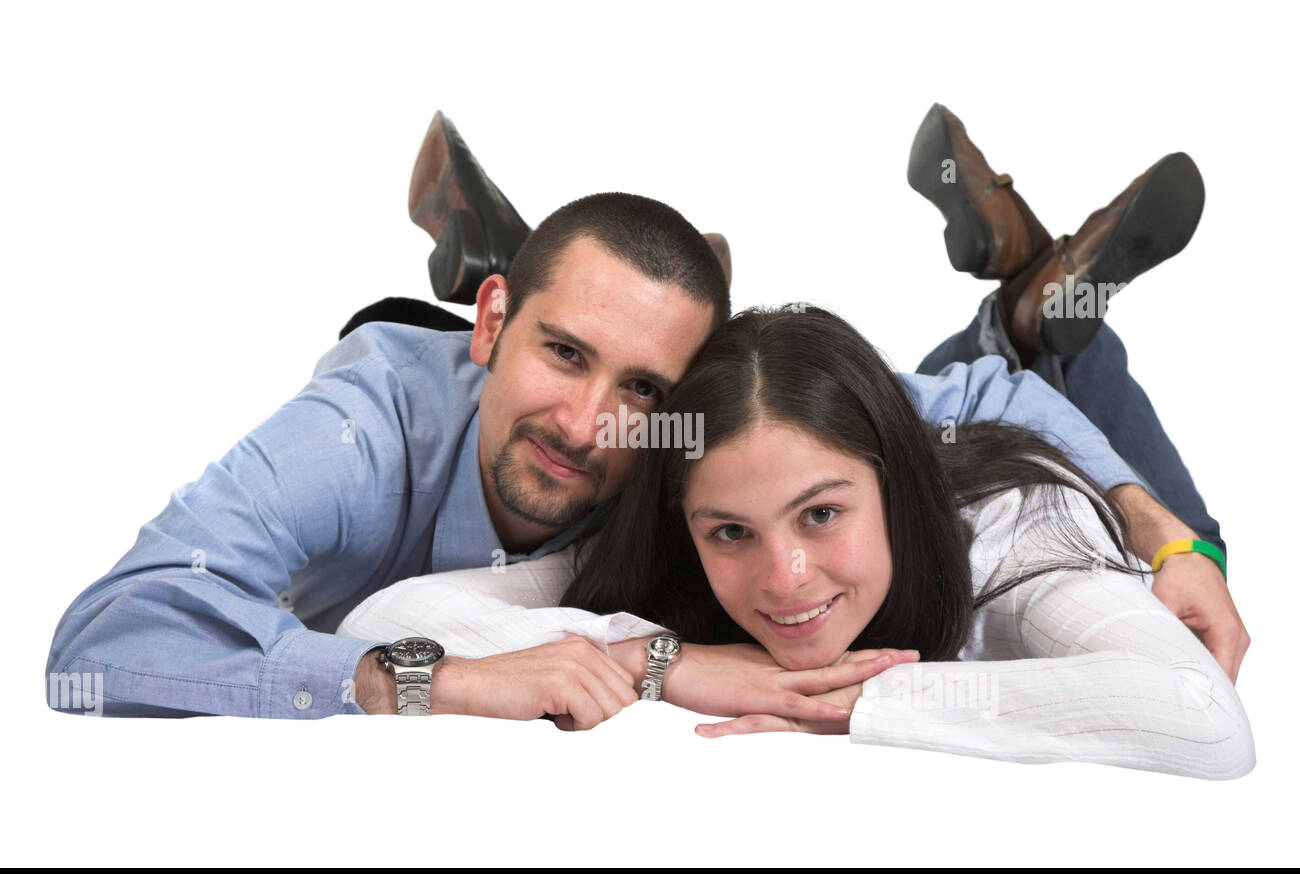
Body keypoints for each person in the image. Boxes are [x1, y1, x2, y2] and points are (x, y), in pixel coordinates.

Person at [44, 111, 1238, 723]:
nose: (587, 424)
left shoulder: (683, 439)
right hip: (425, 378)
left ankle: (1025, 305)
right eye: (562, 352)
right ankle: (1030, 298)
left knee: (962, 401)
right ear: (497, 326)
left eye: (642, 388)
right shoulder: (359, 438)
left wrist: (1173, 537)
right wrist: (427, 683)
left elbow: (972, 411)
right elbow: (100, 646)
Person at [342, 304, 1249, 777]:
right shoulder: (666, 543)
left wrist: (843, 701)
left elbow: (1201, 713)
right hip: (910, 431)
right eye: (732, 531)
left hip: (1036, 469)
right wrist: (663, 660)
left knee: (1185, 525)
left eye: (822, 514)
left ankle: (1030, 319)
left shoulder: (1019, 529)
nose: (785, 578)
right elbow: (382, 619)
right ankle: (1013, 310)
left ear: (895, 487)